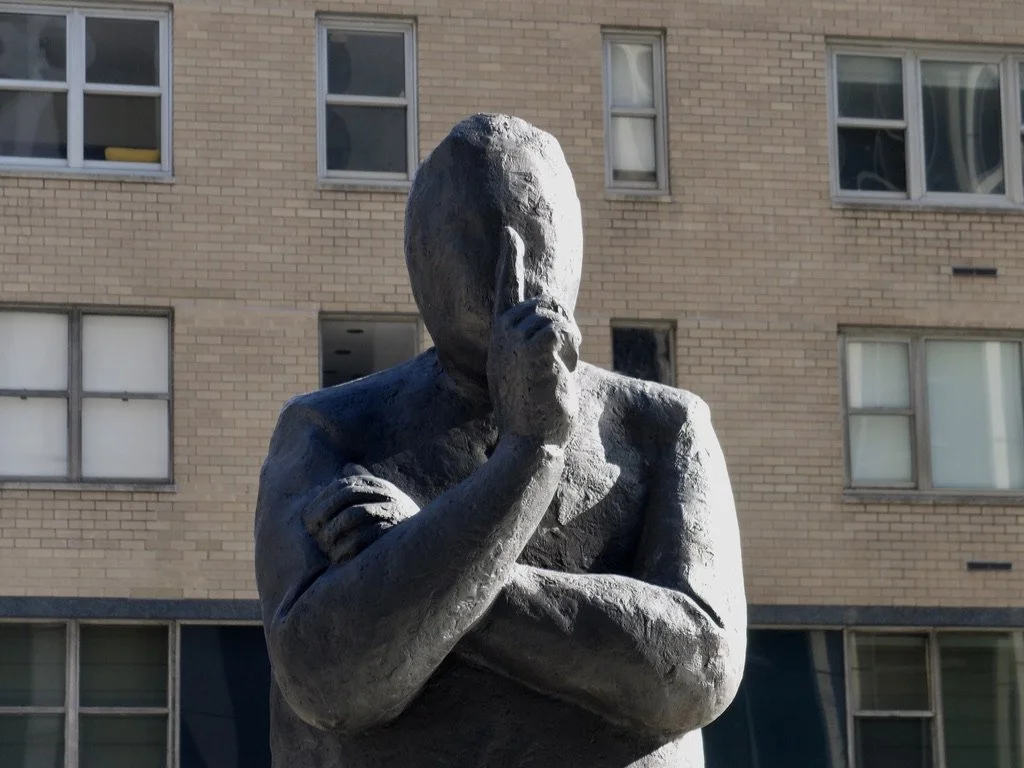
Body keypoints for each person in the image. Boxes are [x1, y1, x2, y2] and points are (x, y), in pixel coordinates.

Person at [254, 114, 746, 768]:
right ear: (419, 253)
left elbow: (699, 668)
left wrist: (422, 558)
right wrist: (530, 456)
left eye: (537, 233)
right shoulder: (330, 431)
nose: (515, 267)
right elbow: (329, 680)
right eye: (471, 236)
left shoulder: (662, 426)